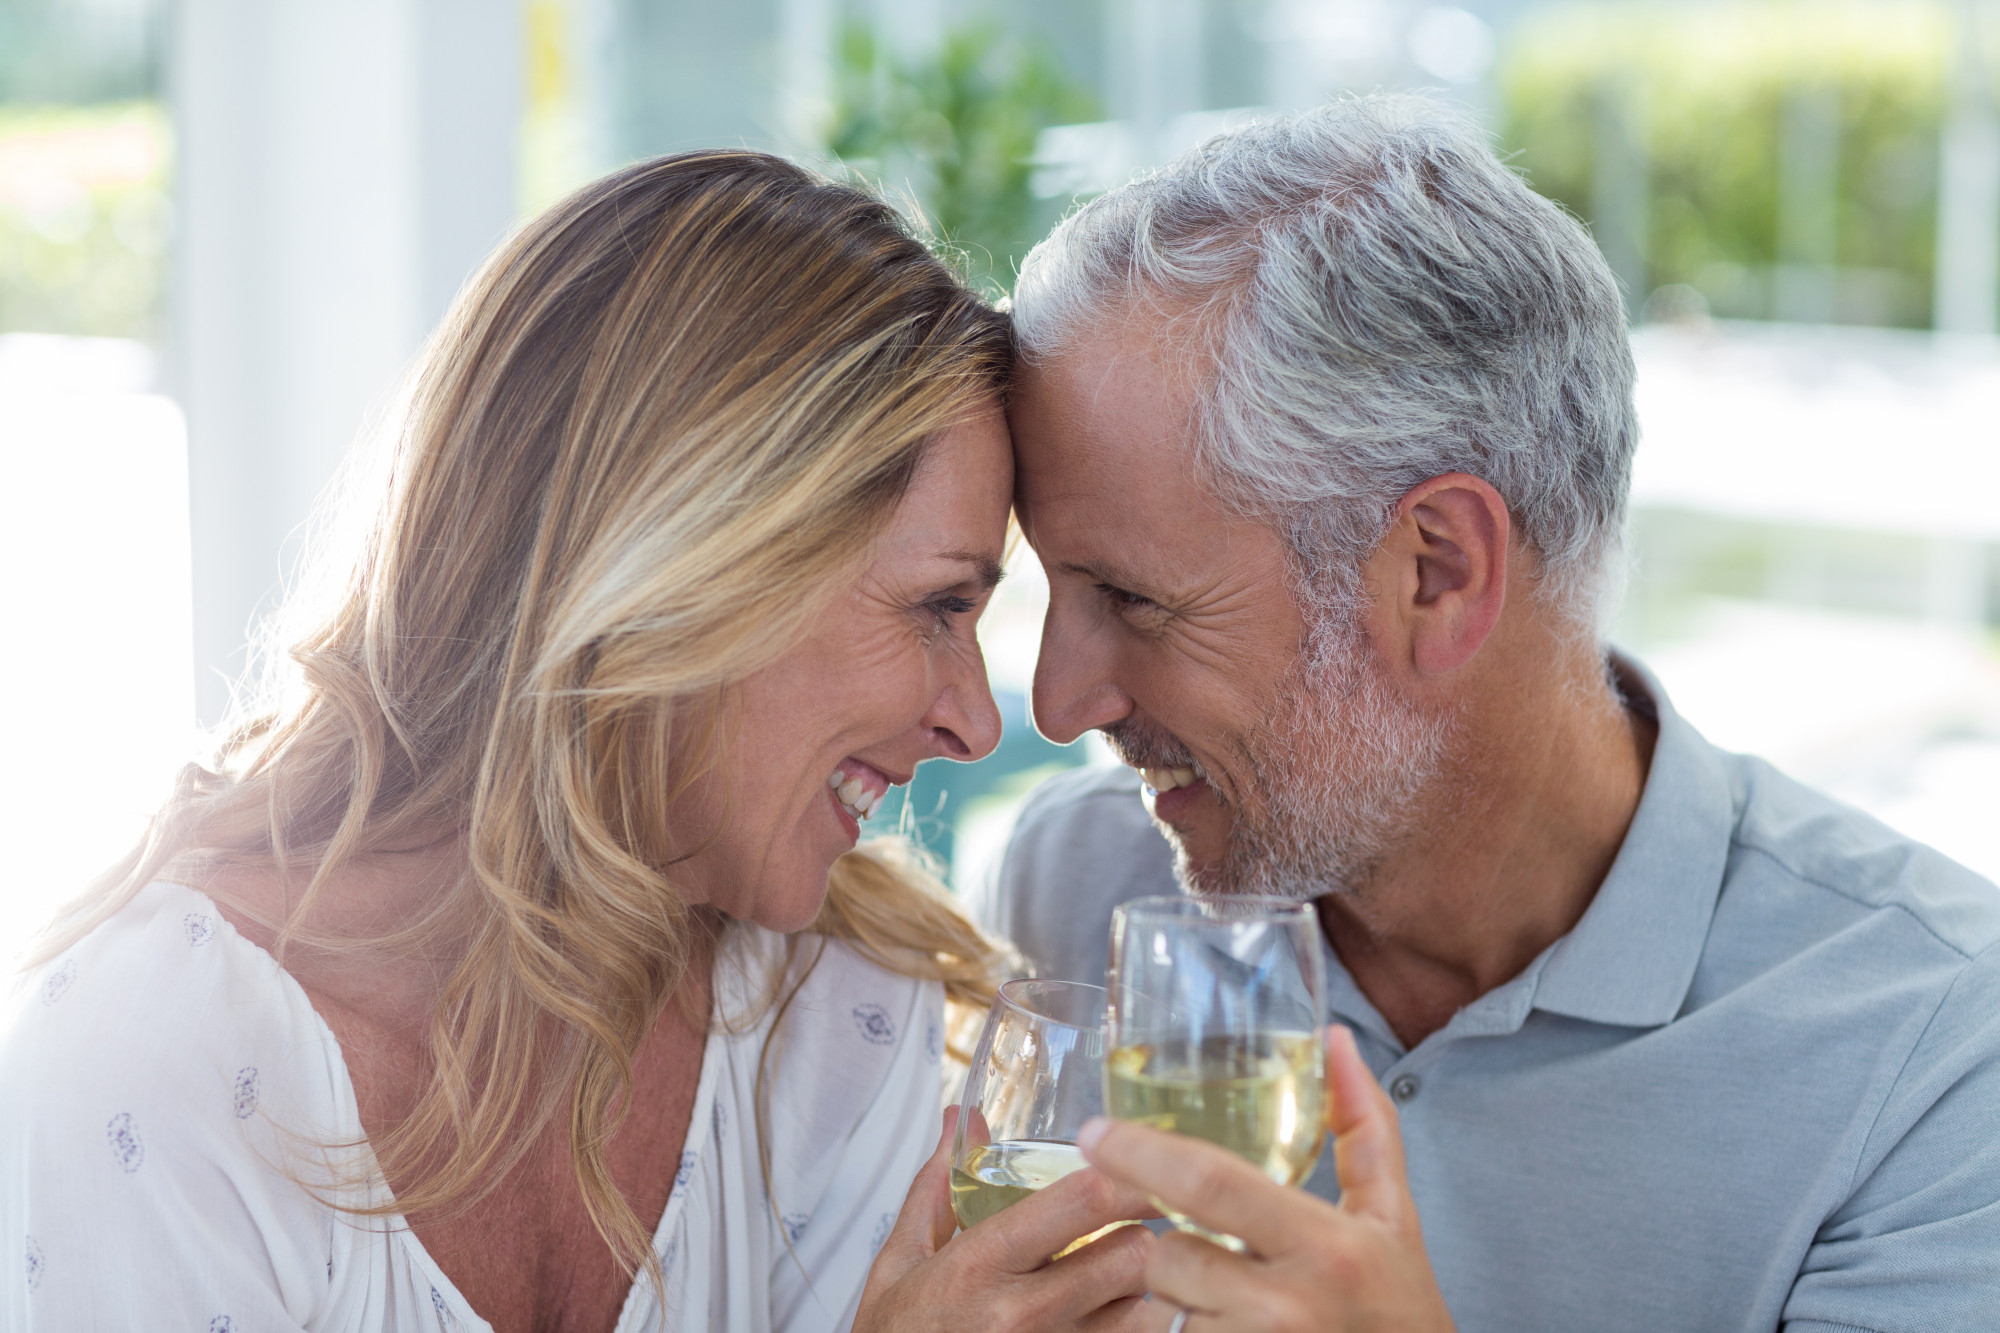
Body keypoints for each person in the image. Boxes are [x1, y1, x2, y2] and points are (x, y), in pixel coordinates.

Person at [0, 151, 1154, 1332]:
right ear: (689, 565)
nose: (975, 719)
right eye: (937, 606)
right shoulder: (158, 1059)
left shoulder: (831, 1006)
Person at [987, 94, 2000, 1330]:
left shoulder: (1939, 1047)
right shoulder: (1085, 880)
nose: (1053, 700)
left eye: (1132, 599)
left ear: (1437, 571)